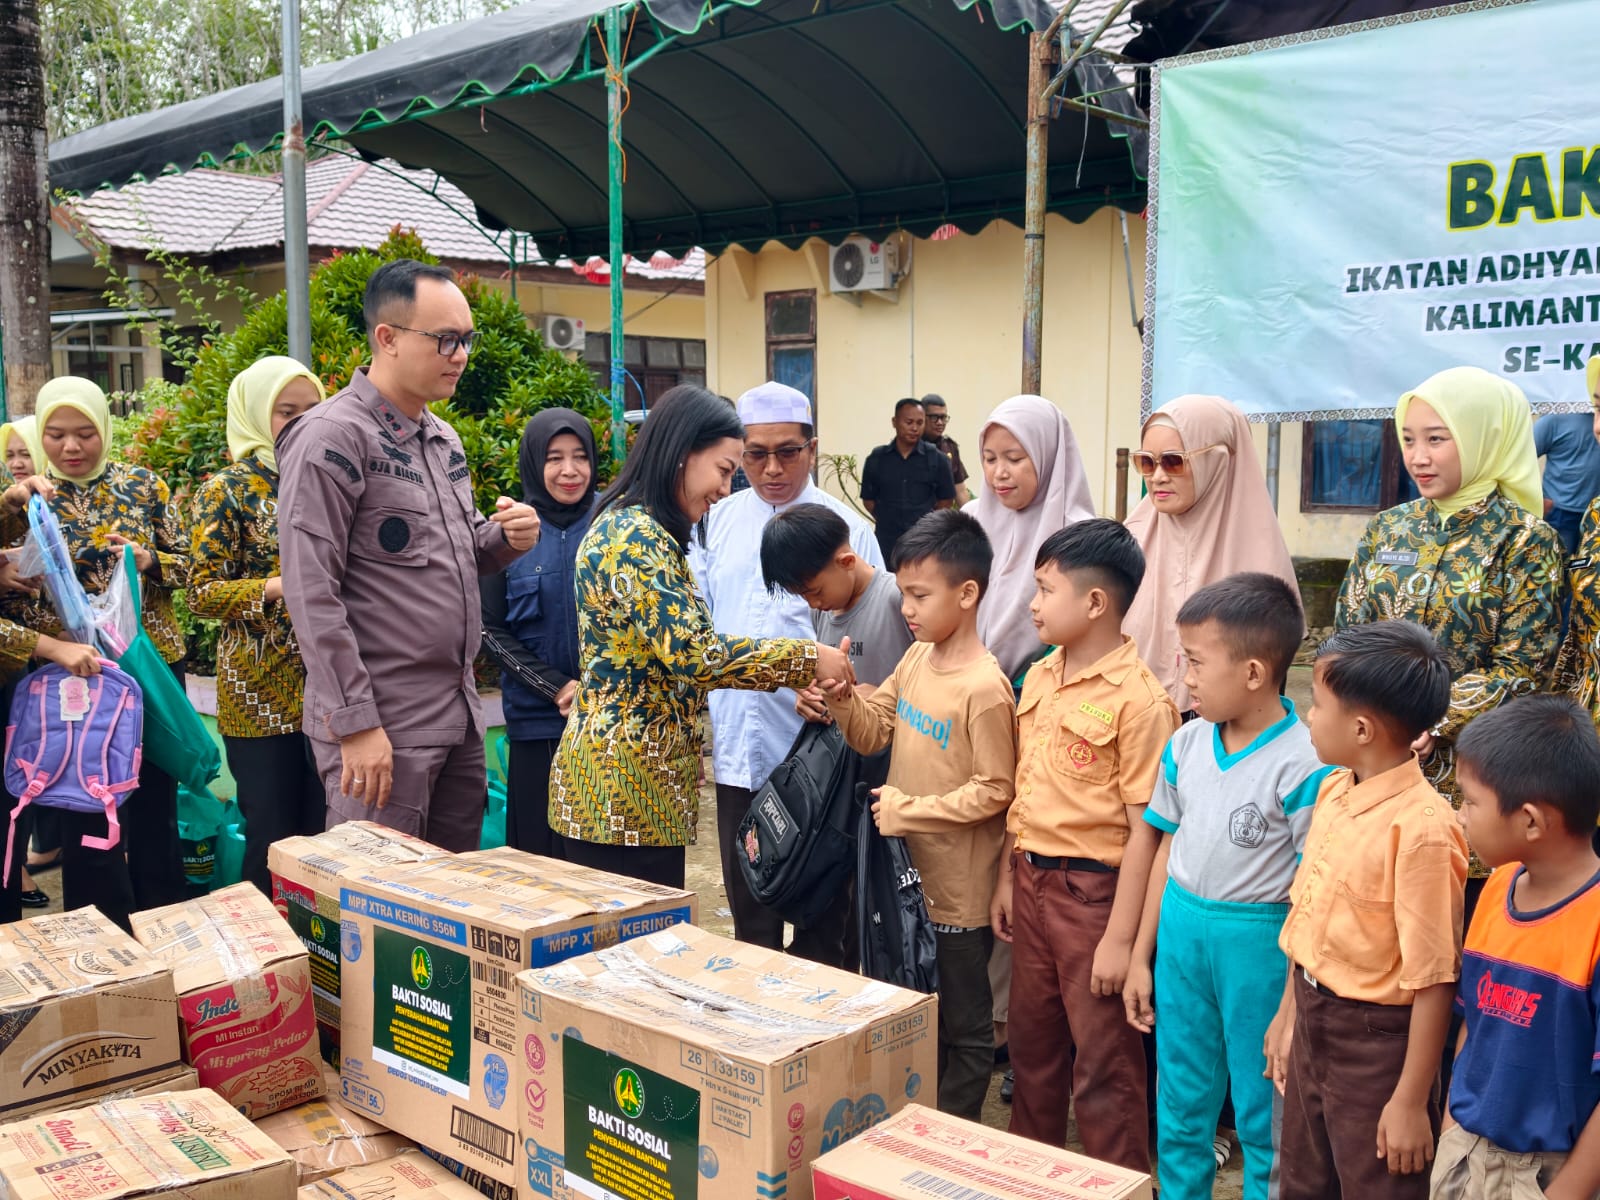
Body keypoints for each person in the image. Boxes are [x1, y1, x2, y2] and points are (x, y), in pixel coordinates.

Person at [278, 260, 542, 852]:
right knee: (374, 912)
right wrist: (357, 723)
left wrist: (505, 537)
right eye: (445, 339)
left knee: (445, 913)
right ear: (387, 338)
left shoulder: (441, 439)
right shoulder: (331, 438)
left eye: (466, 339)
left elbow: (454, 552)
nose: (460, 354)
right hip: (382, 725)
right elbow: (311, 590)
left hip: (456, 715)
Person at [549, 386, 854, 889]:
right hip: (620, 795)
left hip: (636, 786)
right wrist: (807, 659)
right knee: (626, 954)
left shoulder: (641, 529)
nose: (725, 487)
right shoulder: (636, 537)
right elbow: (695, 654)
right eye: (724, 469)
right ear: (683, 453)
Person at [1124, 573, 1331, 1200]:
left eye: (1196, 662)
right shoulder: (1186, 741)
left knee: (1263, 1099)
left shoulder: (1306, 760)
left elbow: (1312, 886)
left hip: (1258, 946)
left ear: (1252, 673)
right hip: (1183, 935)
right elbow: (1164, 848)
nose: (1184, 675)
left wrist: (1294, 994)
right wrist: (1140, 954)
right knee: (1181, 1094)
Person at [990, 518, 1179, 1170]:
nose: (1033, 604)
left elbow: (1148, 837)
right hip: (1033, 883)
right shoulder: (1041, 674)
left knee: (1104, 1062)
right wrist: (1006, 881)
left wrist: (1124, 942)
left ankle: (1118, 1182)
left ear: (1095, 603)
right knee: (1031, 1050)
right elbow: (1026, 790)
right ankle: (1030, 1178)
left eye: (1044, 590)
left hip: (1095, 897)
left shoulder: (1141, 702)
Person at [822, 509, 1016, 1121]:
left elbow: (997, 790)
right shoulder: (916, 660)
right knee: (915, 1012)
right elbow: (874, 732)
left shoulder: (984, 688)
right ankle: (918, 1122)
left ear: (967, 593)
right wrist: (845, 699)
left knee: (966, 1026)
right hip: (907, 882)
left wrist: (913, 811)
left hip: (958, 892)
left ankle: (953, 1133)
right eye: (904, 593)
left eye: (919, 595)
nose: (906, 608)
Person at [1335, 367, 1563, 884]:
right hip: (1374, 763)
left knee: (1448, 924)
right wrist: (1368, 716)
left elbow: (1522, 670)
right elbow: (1348, 636)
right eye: (1410, 439)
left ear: (1484, 438)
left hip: (1469, 784)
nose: (1418, 456)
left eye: (1437, 440)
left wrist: (1430, 720)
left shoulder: (1525, 540)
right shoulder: (1388, 528)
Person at [1273, 621, 1468, 1200]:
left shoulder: (1424, 829)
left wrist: (1410, 1100)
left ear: (1360, 728)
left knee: (1376, 1183)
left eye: (1319, 703)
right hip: (1313, 1019)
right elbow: (1306, 915)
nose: (1309, 715)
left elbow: (1435, 979)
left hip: (1378, 1044)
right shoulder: (1335, 790)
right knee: (1305, 1181)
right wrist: (1288, 1016)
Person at [692, 381, 882, 960]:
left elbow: (869, 640)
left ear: (813, 448)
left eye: (788, 452)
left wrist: (835, 687)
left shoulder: (849, 530)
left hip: (817, 750)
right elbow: (696, 627)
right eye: (754, 454)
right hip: (736, 749)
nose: (771, 468)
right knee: (748, 897)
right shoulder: (714, 522)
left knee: (824, 904)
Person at [969, 392, 1096, 1098]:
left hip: (1050, 719)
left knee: (1035, 877)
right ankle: (994, 1028)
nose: (1001, 473)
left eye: (1015, 458)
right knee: (990, 873)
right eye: (989, 459)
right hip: (977, 719)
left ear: (1048, 456)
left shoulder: (1080, 536)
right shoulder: (973, 527)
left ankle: (1040, 1043)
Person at [32, 376, 190, 928]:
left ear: (104, 430)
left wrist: (151, 561)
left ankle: (164, 924)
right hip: (77, 677)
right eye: (55, 435)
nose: (71, 447)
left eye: (84, 434)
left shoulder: (145, 486)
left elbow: (194, 568)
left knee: (151, 800)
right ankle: (98, 935)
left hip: (146, 667)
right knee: (86, 805)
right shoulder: (30, 499)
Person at [1433, 695, 1600, 1200]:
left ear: (1530, 820)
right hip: (1464, 1153)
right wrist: (1450, 1133)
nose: (1459, 815)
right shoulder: (1496, 890)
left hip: (1550, 1174)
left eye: (1469, 801)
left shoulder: (1593, 926)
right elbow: (1472, 1025)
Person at [188, 356, 326, 896]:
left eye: (311, 410)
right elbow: (200, 591)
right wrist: (276, 587)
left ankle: (327, 963)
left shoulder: (329, 474)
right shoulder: (226, 490)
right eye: (284, 411)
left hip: (330, 684)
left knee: (325, 836)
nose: (299, 422)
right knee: (273, 832)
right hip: (258, 691)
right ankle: (270, 966)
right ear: (252, 415)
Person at [761, 501, 915, 967]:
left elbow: (936, 685)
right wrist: (808, 697)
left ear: (846, 561)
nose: (811, 604)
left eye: (813, 589)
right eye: (800, 595)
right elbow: (830, 686)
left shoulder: (896, 600)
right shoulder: (824, 611)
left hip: (895, 780)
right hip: (841, 781)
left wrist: (876, 698)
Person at [1124, 394, 1301, 715]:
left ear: (1218, 460)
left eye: (1174, 461)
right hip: (1136, 723)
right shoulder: (1131, 541)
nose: (1158, 477)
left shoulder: (1260, 562)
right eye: (1147, 462)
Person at [480, 409, 598, 858]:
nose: (569, 471)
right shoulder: (508, 531)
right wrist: (557, 687)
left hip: (605, 726)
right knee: (539, 860)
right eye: (554, 458)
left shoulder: (614, 523)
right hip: (537, 729)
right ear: (533, 462)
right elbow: (488, 629)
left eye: (580, 457)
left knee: (599, 863)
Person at [858, 398, 955, 561]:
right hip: (887, 541)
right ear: (894, 422)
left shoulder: (937, 459)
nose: (915, 428)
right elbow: (869, 500)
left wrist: (927, 524)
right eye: (909, 422)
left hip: (923, 543)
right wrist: (888, 518)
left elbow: (946, 500)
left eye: (920, 422)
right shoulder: (877, 459)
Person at [1534, 356, 1600, 553]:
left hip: (1594, 512)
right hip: (1561, 513)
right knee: (1560, 572)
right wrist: (1536, 499)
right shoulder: (1556, 419)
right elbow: (1521, 459)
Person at [920, 394, 969, 506]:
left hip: (941, 517)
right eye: (934, 417)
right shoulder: (909, 447)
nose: (940, 422)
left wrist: (971, 520)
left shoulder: (949, 448)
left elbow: (960, 491)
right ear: (922, 417)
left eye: (943, 417)